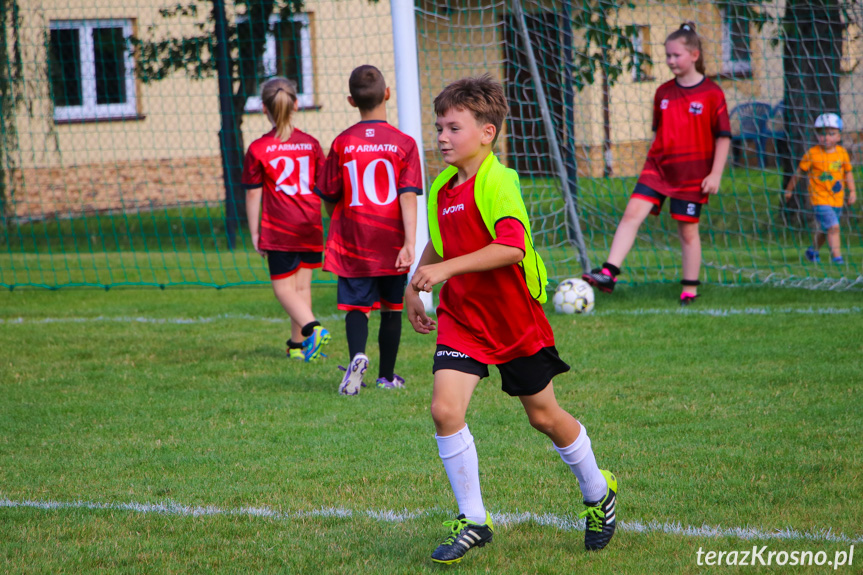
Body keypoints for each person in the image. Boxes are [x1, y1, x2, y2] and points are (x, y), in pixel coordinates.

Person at [406, 75, 617, 565]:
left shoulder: (499, 181)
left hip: (512, 318)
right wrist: (413, 288)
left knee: (542, 415)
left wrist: (442, 270)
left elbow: (511, 247)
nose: (441, 136)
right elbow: (438, 244)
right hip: (463, 319)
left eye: (453, 127)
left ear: (487, 133)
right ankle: (474, 520)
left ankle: (597, 491)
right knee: (444, 410)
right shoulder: (441, 187)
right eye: (439, 126)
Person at [582, 22, 731, 305]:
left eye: (677, 55)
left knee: (687, 231)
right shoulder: (662, 92)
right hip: (659, 168)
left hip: (693, 173)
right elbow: (658, 132)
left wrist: (715, 174)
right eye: (668, 56)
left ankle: (689, 289)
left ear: (695, 55)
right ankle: (609, 273)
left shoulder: (712, 94)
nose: (671, 61)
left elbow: (723, 137)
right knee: (631, 213)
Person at [314, 65, 422, 394]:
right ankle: (387, 376)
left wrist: (342, 218)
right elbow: (407, 195)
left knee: (356, 307)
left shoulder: (343, 142)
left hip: (354, 239)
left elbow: (329, 197)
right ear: (387, 94)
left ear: (351, 100)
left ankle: (357, 359)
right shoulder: (404, 143)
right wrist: (409, 242)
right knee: (392, 307)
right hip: (391, 241)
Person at [241, 77, 330, 361]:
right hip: (310, 225)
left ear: (264, 110)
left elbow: (254, 195)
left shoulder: (258, 148)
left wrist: (255, 233)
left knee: (283, 290)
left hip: (279, 229)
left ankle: (313, 329)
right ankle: (299, 347)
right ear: (296, 105)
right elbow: (323, 185)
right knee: (301, 288)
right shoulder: (312, 144)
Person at [784, 113, 856, 264]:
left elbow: (847, 172)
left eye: (831, 134)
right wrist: (789, 189)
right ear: (817, 135)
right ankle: (837, 258)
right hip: (819, 199)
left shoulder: (842, 153)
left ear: (839, 136)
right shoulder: (812, 154)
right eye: (822, 134)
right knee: (834, 227)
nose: (826, 137)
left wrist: (852, 191)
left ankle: (812, 251)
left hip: (837, 198)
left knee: (826, 228)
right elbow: (799, 173)